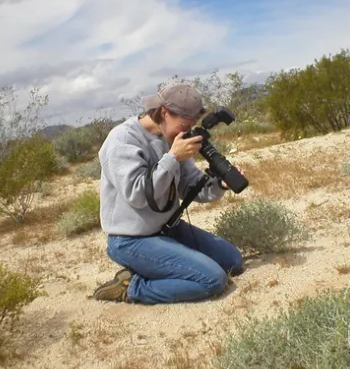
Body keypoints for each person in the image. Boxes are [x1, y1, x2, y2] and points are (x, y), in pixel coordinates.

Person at [93, 82, 245, 304]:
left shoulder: (172, 139)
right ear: (164, 112)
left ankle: (158, 268)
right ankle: (132, 287)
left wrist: (220, 185)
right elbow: (137, 195)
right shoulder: (122, 140)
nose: (186, 132)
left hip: (167, 230)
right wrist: (172, 158)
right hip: (131, 240)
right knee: (212, 280)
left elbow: (189, 186)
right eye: (184, 125)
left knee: (232, 260)